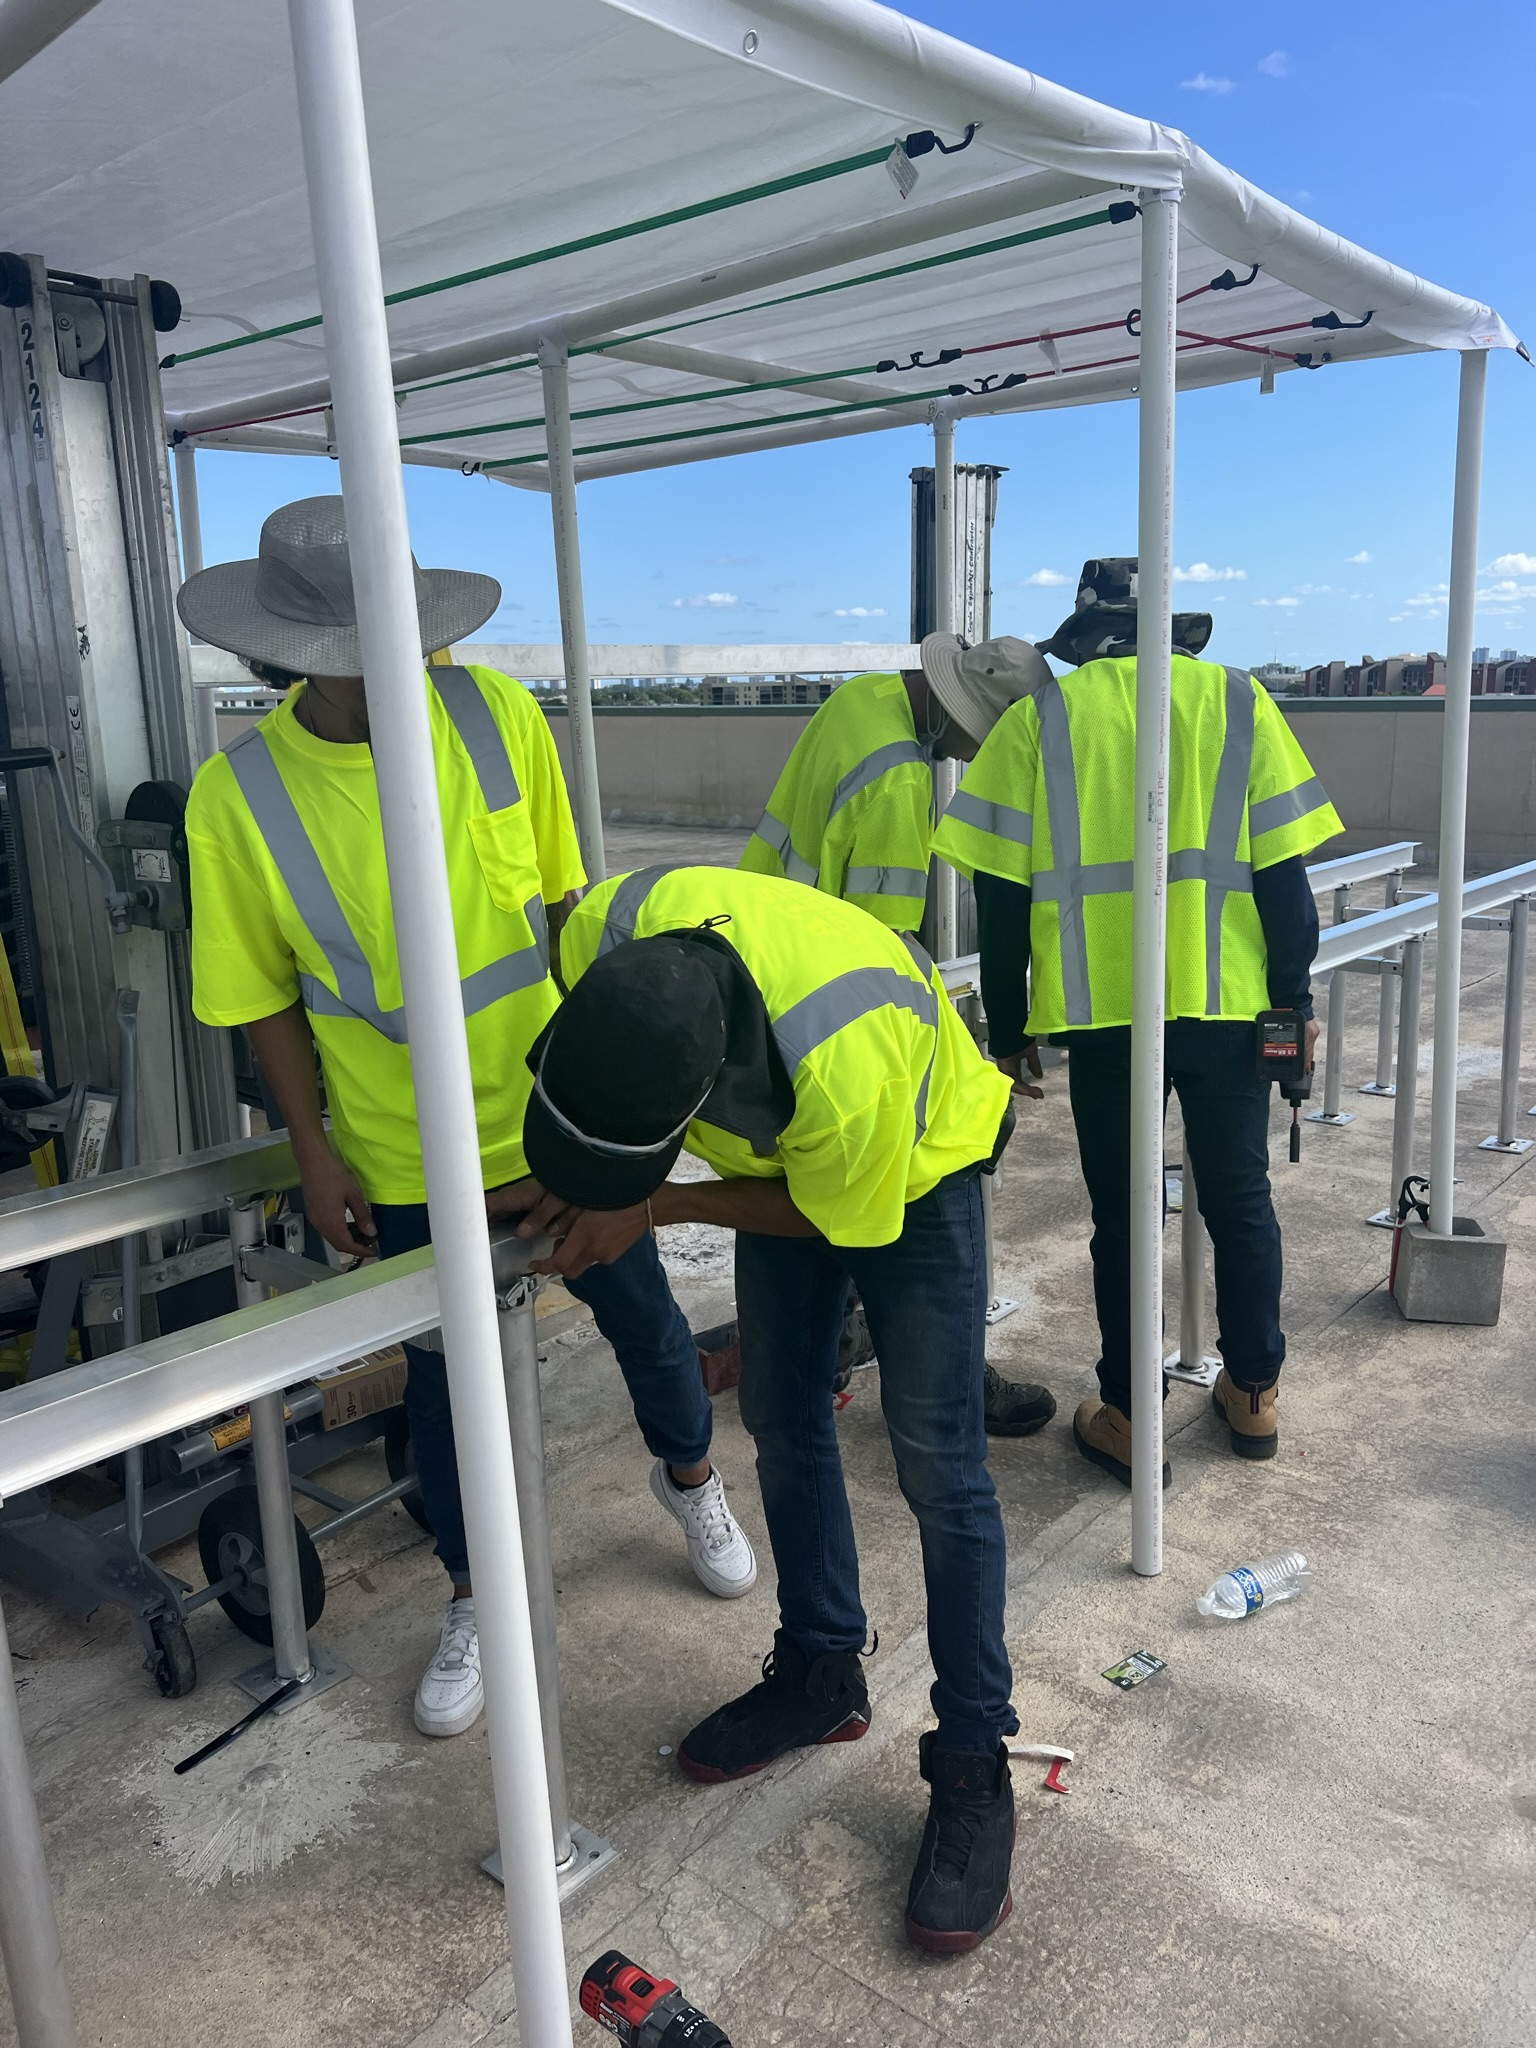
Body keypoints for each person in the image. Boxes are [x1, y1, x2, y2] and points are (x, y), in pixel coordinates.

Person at [179, 497, 756, 1741]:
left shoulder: (496, 717)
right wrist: (316, 1151)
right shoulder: (239, 799)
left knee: (647, 1322)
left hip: (558, 1118)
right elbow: (261, 999)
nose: (393, 666)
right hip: (403, 1152)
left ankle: (694, 1481)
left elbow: (570, 914)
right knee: (445, 1391)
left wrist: (620, 1120)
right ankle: (473, 1588)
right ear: (291, 660)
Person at [502, 866, 1020, 1955]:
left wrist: (653, 1201)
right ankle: (825, 1668)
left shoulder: (844, 1054)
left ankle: (976, 1757)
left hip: (911, 1167)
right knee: (781, 1417)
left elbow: (833, 1213)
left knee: (938, 1464)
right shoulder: (606, 932)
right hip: (803, 1146)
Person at [933, 559, 1343, 1484]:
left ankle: (1127, 1411)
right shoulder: (1238, 703)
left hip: (1101, 1010)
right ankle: (1252, 1392)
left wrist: (1008, 1030)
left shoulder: (1043, 719)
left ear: (1082, 638)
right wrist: (1295, 1003)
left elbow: (996, 899)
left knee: (1124, 1218)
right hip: (1232, 1006)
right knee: (1241, 1203)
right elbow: (1286, 886)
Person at [739, 635, 1057, 1439]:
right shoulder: (898, 780)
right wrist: (959, 1041)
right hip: (818, 1008)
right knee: (954, 1140)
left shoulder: (865, 699)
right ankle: (943, 1364)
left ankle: (838, 1334)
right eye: (981, 742)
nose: (973, 757)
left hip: (768, 965)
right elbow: (884, 954)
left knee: (827, 1189)